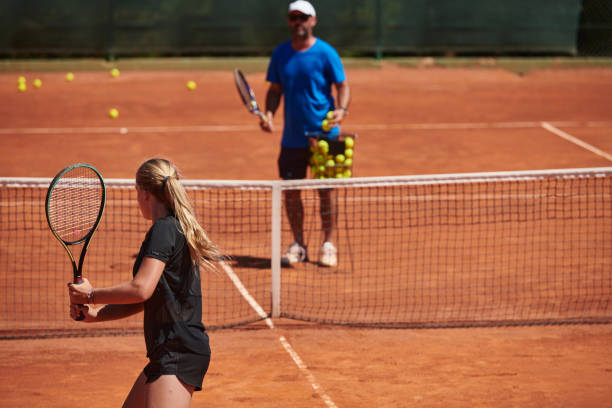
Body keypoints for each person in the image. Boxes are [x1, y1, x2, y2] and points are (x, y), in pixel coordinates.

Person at [68, 158, 220, 408]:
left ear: (145, 193)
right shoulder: (173, 228)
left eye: (136, 192)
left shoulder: (164, 229)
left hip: (177, 351)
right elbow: (149, 296)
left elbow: (140, 289)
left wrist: (90, 295)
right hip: (168, 351)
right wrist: (97, 314)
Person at [260, 0, 351, 267]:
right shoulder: (280, 54)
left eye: (303, 17)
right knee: (291, 191)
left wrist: (342, 109)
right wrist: (269, 114)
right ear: (289, 21)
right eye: (293, 17)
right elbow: (275, 89)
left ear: (313, 20)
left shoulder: (326, 53)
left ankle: (328, 244)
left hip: (326, 136)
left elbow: (343, 85)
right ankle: (299, 244)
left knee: (327, 191)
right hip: (292, 137)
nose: (298, 22)